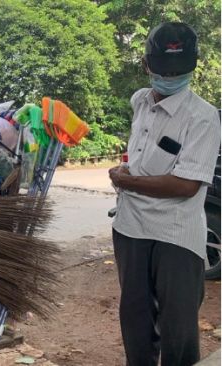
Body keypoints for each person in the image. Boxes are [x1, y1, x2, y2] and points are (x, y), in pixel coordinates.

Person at [109, 22, 221, 366]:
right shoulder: (139, 101)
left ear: (192, 67)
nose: (170, 77)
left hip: (176, 234)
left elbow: (186, 186)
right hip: (130, 229)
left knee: (178, 329)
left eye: (178, 70)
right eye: (163, 69)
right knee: (136, 322)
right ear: (147, 66)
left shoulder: (203, 117)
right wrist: (131, 172)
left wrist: (125, 180)